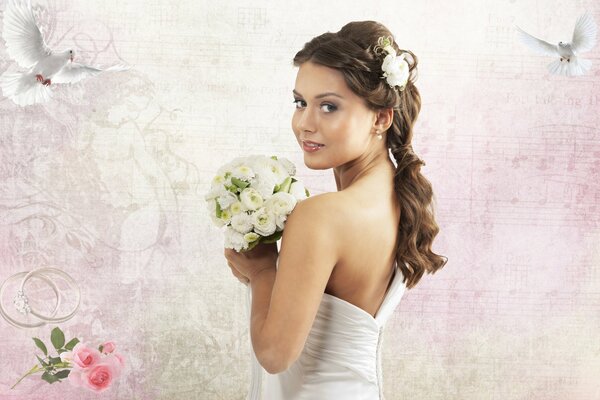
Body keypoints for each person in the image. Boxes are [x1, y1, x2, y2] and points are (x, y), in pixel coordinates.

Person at [224, 20, 448, 399]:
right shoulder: (397, 197)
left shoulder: (321, 216)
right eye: (300, 103)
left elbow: (276, 354)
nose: (304, 124)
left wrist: (262, 271)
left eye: (328, 106)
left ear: (381, 117)